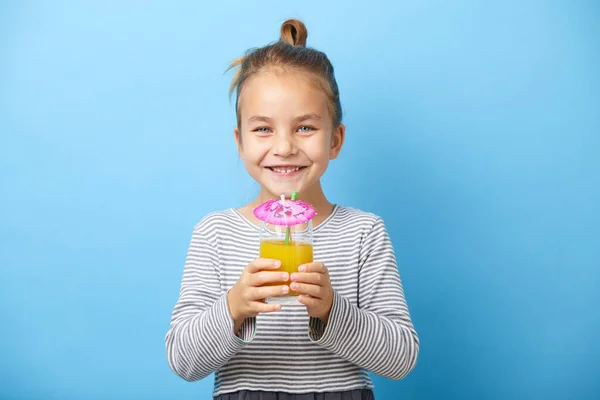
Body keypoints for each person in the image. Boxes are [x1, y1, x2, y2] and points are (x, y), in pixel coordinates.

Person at [165, 18, 419, 400]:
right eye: (263, 129)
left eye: (304, 128)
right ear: (240, 141)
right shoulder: (215, 233)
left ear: (335, 140)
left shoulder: (363, 232)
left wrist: (332, 309)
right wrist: (233, 307)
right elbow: (183, 361)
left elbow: (401, 358)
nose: (283, 147)